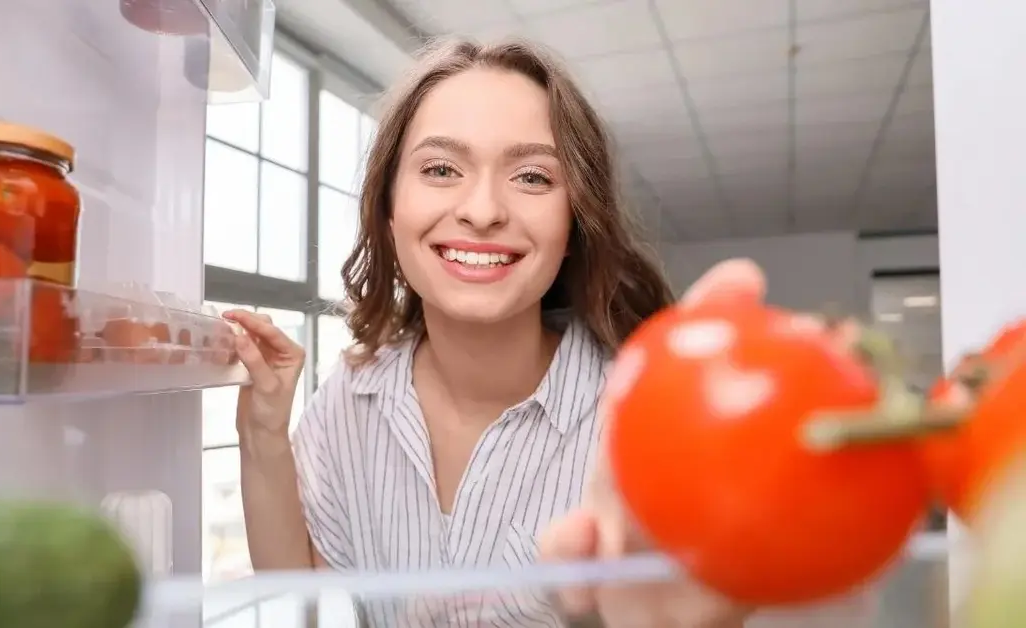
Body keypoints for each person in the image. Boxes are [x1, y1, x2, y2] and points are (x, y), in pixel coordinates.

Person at [226, 36, 753, 627]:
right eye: (441, 169)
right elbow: (300, 588)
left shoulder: (641, 420)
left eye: (531, 177)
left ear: (575, 219)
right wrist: (263, 434)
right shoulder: (351, 397)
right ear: (388, 205)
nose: (482, 210)